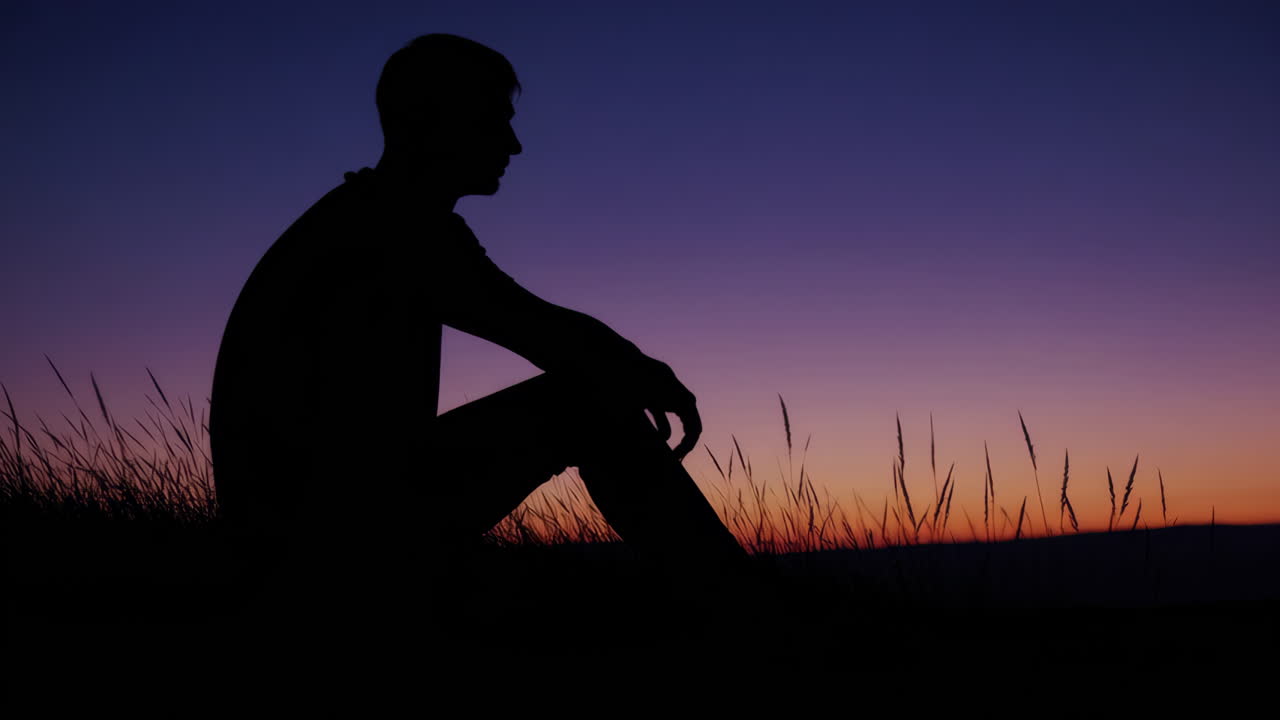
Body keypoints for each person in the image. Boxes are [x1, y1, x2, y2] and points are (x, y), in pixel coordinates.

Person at [208, 34, 749, 650]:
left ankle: (729, 602)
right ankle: (740, 612)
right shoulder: (392, 226)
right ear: (432, 121)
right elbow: (539, 329)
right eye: (495, 121)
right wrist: (646, 376)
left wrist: (631, 368)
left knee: (586, 395)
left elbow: (533, 320)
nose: (513, 145)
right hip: (320, 544)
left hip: (304, 529)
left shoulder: (371, 216)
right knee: (584, 404)